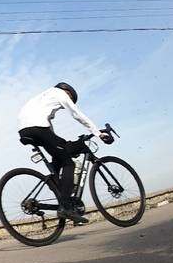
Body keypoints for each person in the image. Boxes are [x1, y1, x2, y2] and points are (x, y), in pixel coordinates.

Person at [17, 82, 111, 224]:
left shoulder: (42, 97)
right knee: (68, 163)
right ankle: (65, 207)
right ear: (68, 92)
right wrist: (97, 132)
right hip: (37, 128)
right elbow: (76, 114)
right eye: (70, 99)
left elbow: (48, 128)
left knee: (60, 152)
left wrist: (60, 145)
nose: (62, 106)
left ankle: (57, 186)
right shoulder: (60, 94)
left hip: (25, 129)